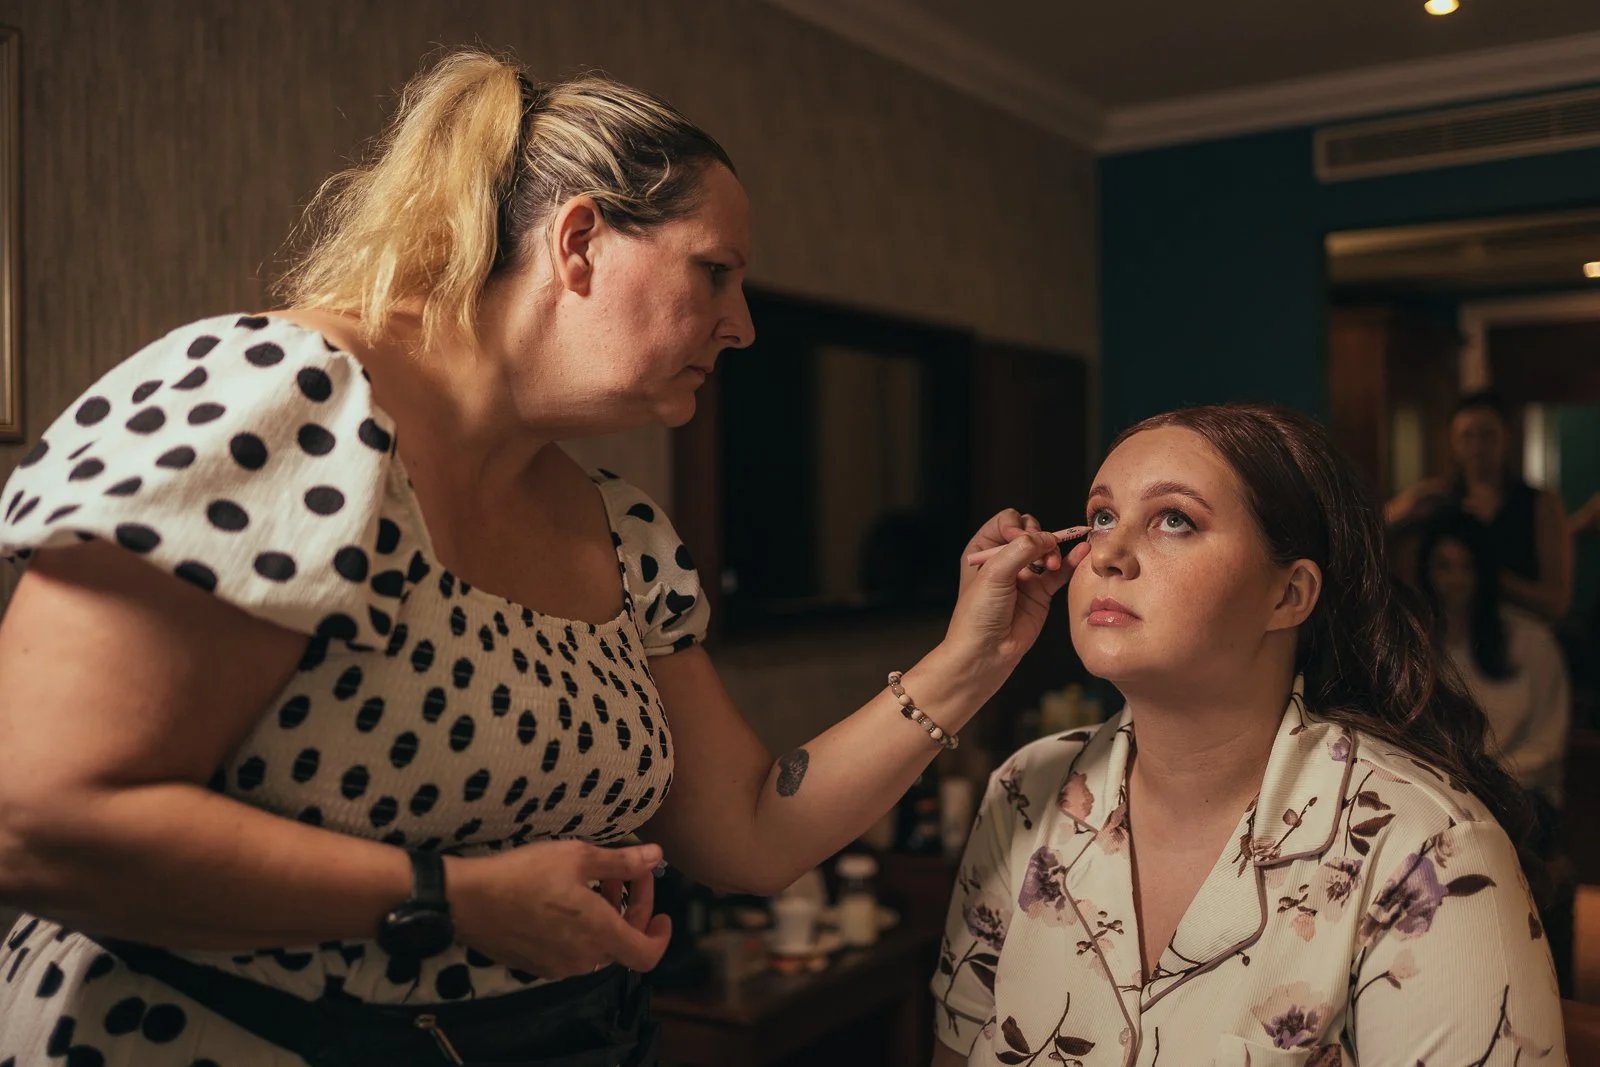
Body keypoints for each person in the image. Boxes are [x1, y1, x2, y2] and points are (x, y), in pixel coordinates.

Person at [0, 50, 1073, 1066]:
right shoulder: (282, 396)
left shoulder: (623, 529)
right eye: (714, 272)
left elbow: (751, 829)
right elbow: (35, 816)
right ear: (578, 244)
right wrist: (451, 895)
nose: (739, 326)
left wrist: (972, 653)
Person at [932, 404, 1565, 1066]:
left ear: (1289, 594)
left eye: (1174, 519)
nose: (1110, 554)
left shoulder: (1427, 852)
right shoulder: (1024, 791)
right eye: (1100, 518)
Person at [1415, 510, 1574, 997]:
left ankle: (1533, 989)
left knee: (1507, 844)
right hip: (1444, 793)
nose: (1456, 580)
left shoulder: (1530, 641)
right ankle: (1450, 987)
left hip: (1521, 793)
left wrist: (1487, 780)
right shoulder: (1418, 643)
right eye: (1444, 566)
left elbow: (1549, 745)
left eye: (1466, 566)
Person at [1385, 391, 1571, 625]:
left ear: (1506, 436)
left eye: (1487, 435)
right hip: (1453, 636)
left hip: (1524, 633)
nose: (1477, 447)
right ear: (1452, 442)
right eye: (1466, 436)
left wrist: (1487, 576)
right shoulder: (1438, 501)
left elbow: (1557, 603)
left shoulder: (1540, 503)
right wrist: (1402, 509)